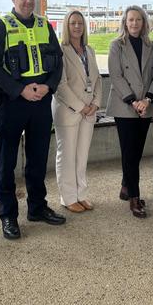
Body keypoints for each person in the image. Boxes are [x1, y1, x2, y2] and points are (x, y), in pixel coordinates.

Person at [0, 0, 65, 240]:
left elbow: (58, 62)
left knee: (38, 157)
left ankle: (37, 207)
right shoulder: (2, 26)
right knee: (7, 162)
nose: (28, 1)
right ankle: (8, 215)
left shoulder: (44, 24)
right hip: (13, 102)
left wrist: (48, 87)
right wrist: (19, 89)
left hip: (41, 99)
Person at [107, 5, 153, 218]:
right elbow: (116, 75)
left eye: (138, 19)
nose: (134, 23)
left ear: (144, 22)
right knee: (129, 152)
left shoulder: (152, 45)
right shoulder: (116, 46)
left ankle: (125, 186)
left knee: (137, 151)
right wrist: (133, 101)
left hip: (146, 106)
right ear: (125, 22)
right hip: (125, 106)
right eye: (130, 20)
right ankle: (134, 198)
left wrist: (147, 99)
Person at [52, 11, 102, 213]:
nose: (77, 26)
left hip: (89, 112)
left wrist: (96, 104)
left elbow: (97, 79)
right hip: (69, 111)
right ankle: (68, 197)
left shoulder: (88, 50)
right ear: (66, 26)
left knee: (82, 156)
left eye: (80, 23)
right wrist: (82, 107)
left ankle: (81, 194)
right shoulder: (60, 50)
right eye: (72, 23)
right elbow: (60, 85)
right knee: (67, 155)